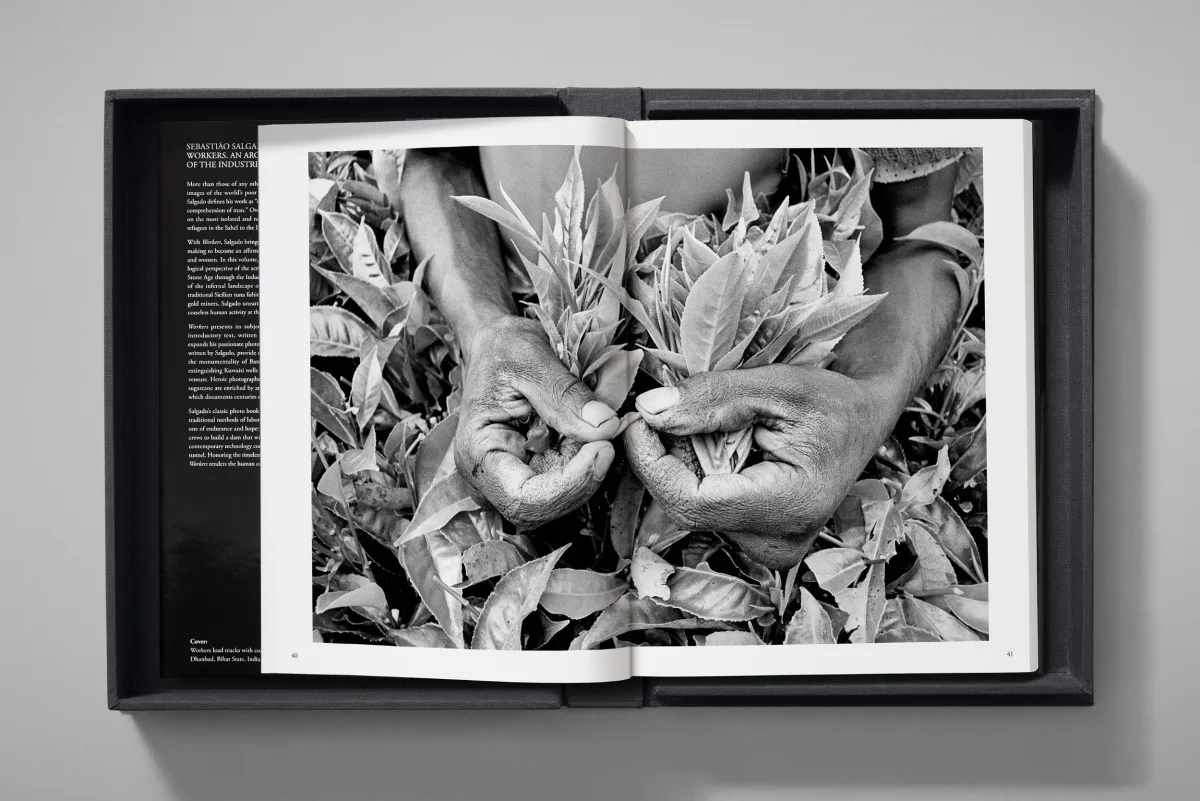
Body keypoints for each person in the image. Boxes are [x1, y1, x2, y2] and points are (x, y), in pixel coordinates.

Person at [398, 146, 968, 569]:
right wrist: (484, 329)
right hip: (535, 361)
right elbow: (433, 152)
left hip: (753, 400)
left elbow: (921, 227)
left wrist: (868, 399)